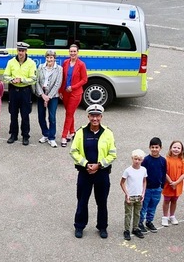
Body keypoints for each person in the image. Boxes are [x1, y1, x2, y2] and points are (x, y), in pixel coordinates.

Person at [70, 104, 117, 238]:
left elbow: (112, 154)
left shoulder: (108, 133)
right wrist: (86, 164)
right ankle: (79, 226)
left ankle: (102, 227)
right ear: (88, 116)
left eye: (97, 116)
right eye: (92, 116)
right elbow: (74, 151)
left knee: (102, 202)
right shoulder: (80, 132)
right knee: (82, 201)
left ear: (101, 117)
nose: (95, 118)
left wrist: (99, 165)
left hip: (102, 173)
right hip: (85, 173)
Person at [3, 41, 37, 145]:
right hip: (13, 91)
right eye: (19, 50)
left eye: (22, 51)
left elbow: (34, 79)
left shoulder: (31, 63)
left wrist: (21, 80)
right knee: (13, 114)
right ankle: (13, 134)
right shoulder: (11, 62)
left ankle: (25, 136)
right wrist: (12, 80)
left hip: (25, 91)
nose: (20, 53)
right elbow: (5, 76)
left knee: (25, 115)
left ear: (26, 51)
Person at [58, 43, 88, 147]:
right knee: (69, 113)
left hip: (75, 93)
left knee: (69, 114)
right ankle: (72, 132)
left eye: (74, 51)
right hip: (65, 92)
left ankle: (64, 136)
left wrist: (73, 87)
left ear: (78, 52)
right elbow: (63, 78)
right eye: (71, 51)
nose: (73, 53)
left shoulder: (81, 64)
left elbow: (84, 80)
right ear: (69, 52)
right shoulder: (65, 62)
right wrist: (60, 91)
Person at [33, 49, 62, 147]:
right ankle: (45, 134)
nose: (49, 59)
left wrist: (48, 97)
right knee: (41, 116)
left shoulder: (59, 69)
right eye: (48, 57)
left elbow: (58, 84)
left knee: (52, 117)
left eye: (51, 57)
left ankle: (51, 137)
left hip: (53, 96)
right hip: (41, 95)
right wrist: (42, 95)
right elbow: (36, 81)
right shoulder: (40, 67)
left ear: (54, 59)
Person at [140, 137, 166, 233]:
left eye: (156, 147)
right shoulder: (146, 160)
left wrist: (162, 186)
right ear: (149, 147)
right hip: (147, 189)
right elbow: (142, 175)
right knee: (144, 207)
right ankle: (140, 222)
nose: (154, 149)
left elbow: (164, 173)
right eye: (152, 147)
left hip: (157, 188)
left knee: (153, 207)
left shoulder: (163, 160)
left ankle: (149, 221)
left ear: (160, 148)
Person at [120, 149, 147, 241]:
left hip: (139, 196)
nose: (137, 161)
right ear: (132, 158)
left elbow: (144, 181)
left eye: (139, 159)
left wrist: (143, 193)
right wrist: (127, 194)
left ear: (142, 160)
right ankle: (126, 230)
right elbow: (122, 183)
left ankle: (135, 228)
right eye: (135, 159)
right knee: (128, 214)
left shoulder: (143, 170)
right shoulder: (128, 170)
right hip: (130, 196)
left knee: (137, 213)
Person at [163, 141, 184, 227]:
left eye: (178, 148)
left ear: (181, 150)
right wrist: (171, 182)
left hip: (177, 185)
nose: (176, 149)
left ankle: (172, 215)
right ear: (170, 148)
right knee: (166, 200)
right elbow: (164, 172)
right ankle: (165, 217)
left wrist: (176, 183)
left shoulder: (183, 161)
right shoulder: (166, 159)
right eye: (174, 147)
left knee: (174, 200)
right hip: (168, 185)